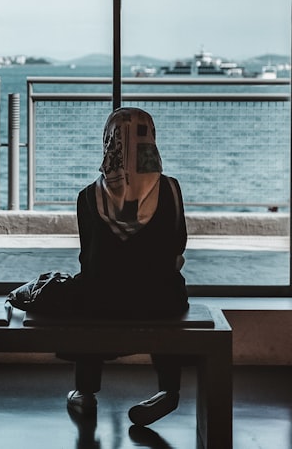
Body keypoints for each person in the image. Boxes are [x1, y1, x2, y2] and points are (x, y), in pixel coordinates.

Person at [62, 107, 189, 427]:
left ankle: (85, 391)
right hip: (160, 302)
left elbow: (87, 255)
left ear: (109, 141)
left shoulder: (88, 196)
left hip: (103, 303)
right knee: (169, 287)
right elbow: (179, 244)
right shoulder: (171, 189)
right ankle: (169, 390)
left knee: (87, 293)